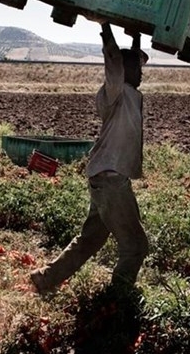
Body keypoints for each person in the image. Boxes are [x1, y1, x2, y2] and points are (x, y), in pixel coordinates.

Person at [29, 21, 150, 294]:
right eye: (138, 66)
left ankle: (45, 278)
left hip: (106, 177)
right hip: (110, 179)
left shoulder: (129, 92)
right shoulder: (115, 92)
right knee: (136, 246)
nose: (142, 73)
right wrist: (105, 26)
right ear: (123, 69)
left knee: (91, 239)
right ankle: (116, 299)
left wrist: (137, 40)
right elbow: (114, 60)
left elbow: (125, 63)